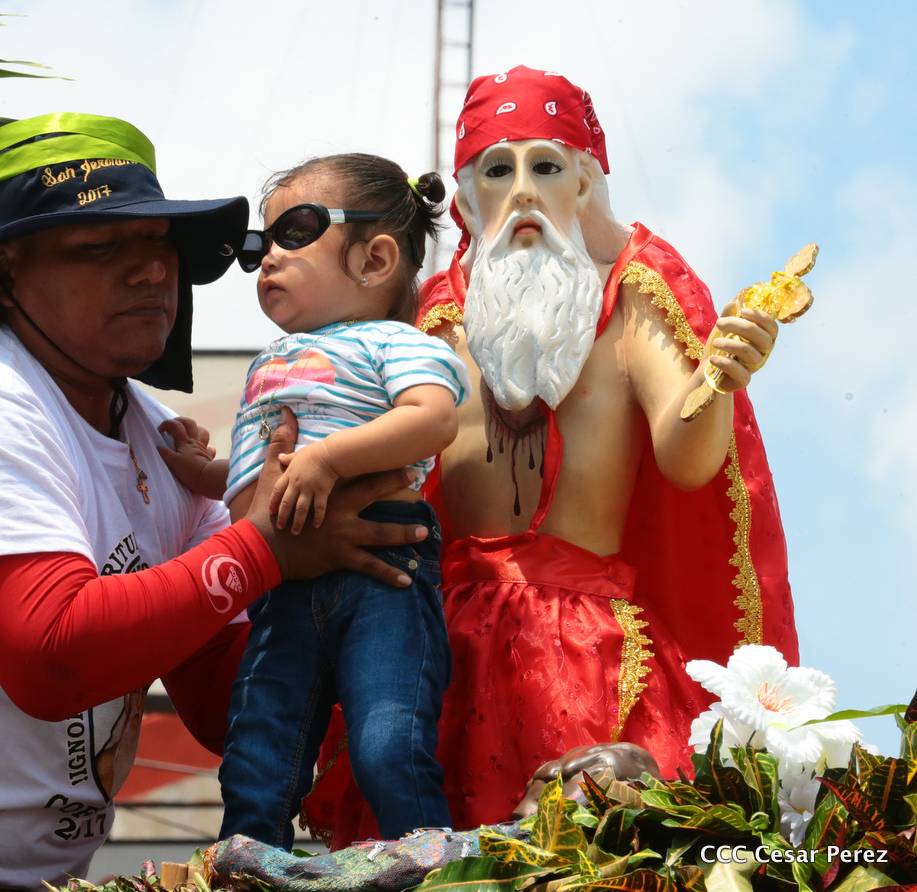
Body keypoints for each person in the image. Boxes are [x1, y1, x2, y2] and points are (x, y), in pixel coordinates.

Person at [0, 113, 429, 891]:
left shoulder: (156, 437)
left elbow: (223, 700)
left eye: (159, 242)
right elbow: (52, 656)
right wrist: (267, 547)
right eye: (102, 246)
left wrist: (394, 619)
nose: (150, 271)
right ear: (6, 271)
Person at [305, 66, 801, 845]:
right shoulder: (433, 321)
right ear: (468, 198)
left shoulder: (632, 300)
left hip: (596, 656)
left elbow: (686, 460)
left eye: (545, 166)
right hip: (445, 656)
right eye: (498, 171)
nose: (524, 192)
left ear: (584, 184)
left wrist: (718, 380)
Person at [159, 154, 470, 849]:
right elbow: (257, 473)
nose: (267, 256)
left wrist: (328, 459)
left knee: (388, 738)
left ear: (375, 258)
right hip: (279, 580)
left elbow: (432, 419)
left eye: (294, 232)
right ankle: (247, 871)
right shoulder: (269, 360)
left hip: (381, 572)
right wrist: (201, 471)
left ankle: (429, 863)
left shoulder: (395, 341)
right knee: (256, 753)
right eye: (257, 245)